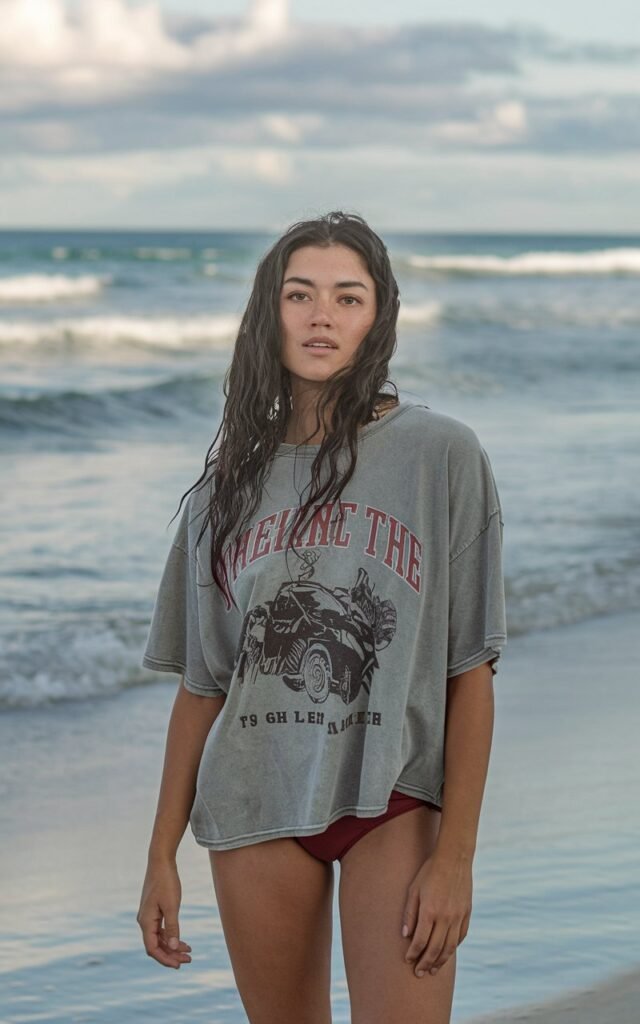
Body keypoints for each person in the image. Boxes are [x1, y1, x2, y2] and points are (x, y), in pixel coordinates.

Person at [136, 210, 507, 1024]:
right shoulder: (221, 492)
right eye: (300, 294)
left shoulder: (441, 455)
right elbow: (203, 690)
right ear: (269, 311)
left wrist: (456, 860)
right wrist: (160, 855)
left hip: (395, 797)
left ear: (380, 317)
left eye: (348, 297)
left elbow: (469, 673)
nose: (322, 316)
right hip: (254, 800)